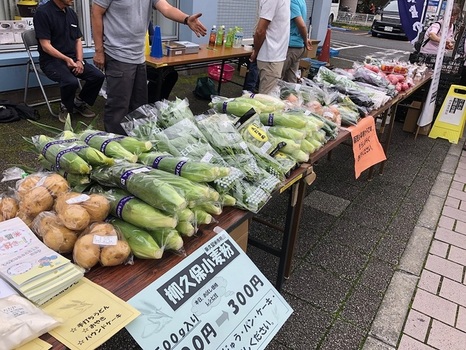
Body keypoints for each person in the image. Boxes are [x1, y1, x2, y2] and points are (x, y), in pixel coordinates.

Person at [91, 0, 206, 135]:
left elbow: (167, 8)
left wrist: (186, 19)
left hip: (139, 57)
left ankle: (137, 141)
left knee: (139, 106)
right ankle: (115, 145)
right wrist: (99, 51)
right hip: (118, 55)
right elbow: (96, 12)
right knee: (118, 107)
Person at [33, 0, 105, 122]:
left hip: (73, 58)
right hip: (51, 61)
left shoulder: (71, 13)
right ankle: (65, 106)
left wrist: (79, 61)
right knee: (70, 81)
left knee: (98, 76)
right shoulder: (42, 13)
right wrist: (66, 59)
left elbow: (78, 40)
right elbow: (45, 45)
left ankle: (79, 102)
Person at [250, 0, 290, 95]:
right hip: (271, 57)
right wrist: (256, 51)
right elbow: (260, 31)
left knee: (271, 98)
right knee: (267, 100)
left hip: (275, 56)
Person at [146, 22, 178, 103]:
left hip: (149, 58)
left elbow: (153, 38)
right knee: (159, 75)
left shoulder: (146, 20)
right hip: (135, 62)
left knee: (171, 73)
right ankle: (152, 102)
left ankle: (160, 101)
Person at [281, 0, 312, 83]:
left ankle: (274, 95)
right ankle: (290, 95)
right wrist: (305, 38)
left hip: (291, 46)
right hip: (298, 46)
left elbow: (301, 25)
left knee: (277, 77)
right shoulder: (301, 1)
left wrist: (305, 40)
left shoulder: (292, 2)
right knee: (290, 79)